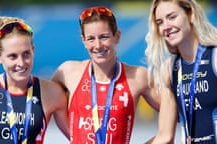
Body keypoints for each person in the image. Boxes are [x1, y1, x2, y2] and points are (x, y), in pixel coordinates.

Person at [51, 6, 160, 144]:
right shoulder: (68, 72)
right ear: (83, 41)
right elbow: (45, 104)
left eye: (104, 37)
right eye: (91, 38)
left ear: (117, 36)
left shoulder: (138, 76)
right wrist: (72, 135)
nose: (98, 45)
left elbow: (177, 115)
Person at [0, 16, 69, 143]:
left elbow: (79, 137)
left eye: (26, 54)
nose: (21, 63)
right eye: (12, 56)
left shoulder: (52, 93)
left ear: (33, 51)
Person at [145, 0, 217, 143]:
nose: (166, 26)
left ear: (190, 15)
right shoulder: (169, 69)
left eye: (172, 17)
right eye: (160, 22)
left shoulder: (215, 57)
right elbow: (165, 136)